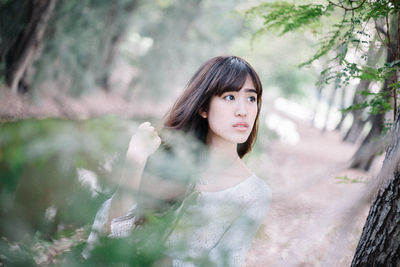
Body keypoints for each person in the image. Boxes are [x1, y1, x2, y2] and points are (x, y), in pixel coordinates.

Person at [85, 56, 271, 266]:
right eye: (229, 97)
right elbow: (111, 233)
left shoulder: (254, 194)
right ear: (203, 108)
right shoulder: (165, 163)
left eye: (251, 99)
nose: (243, 111)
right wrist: (135, 162)